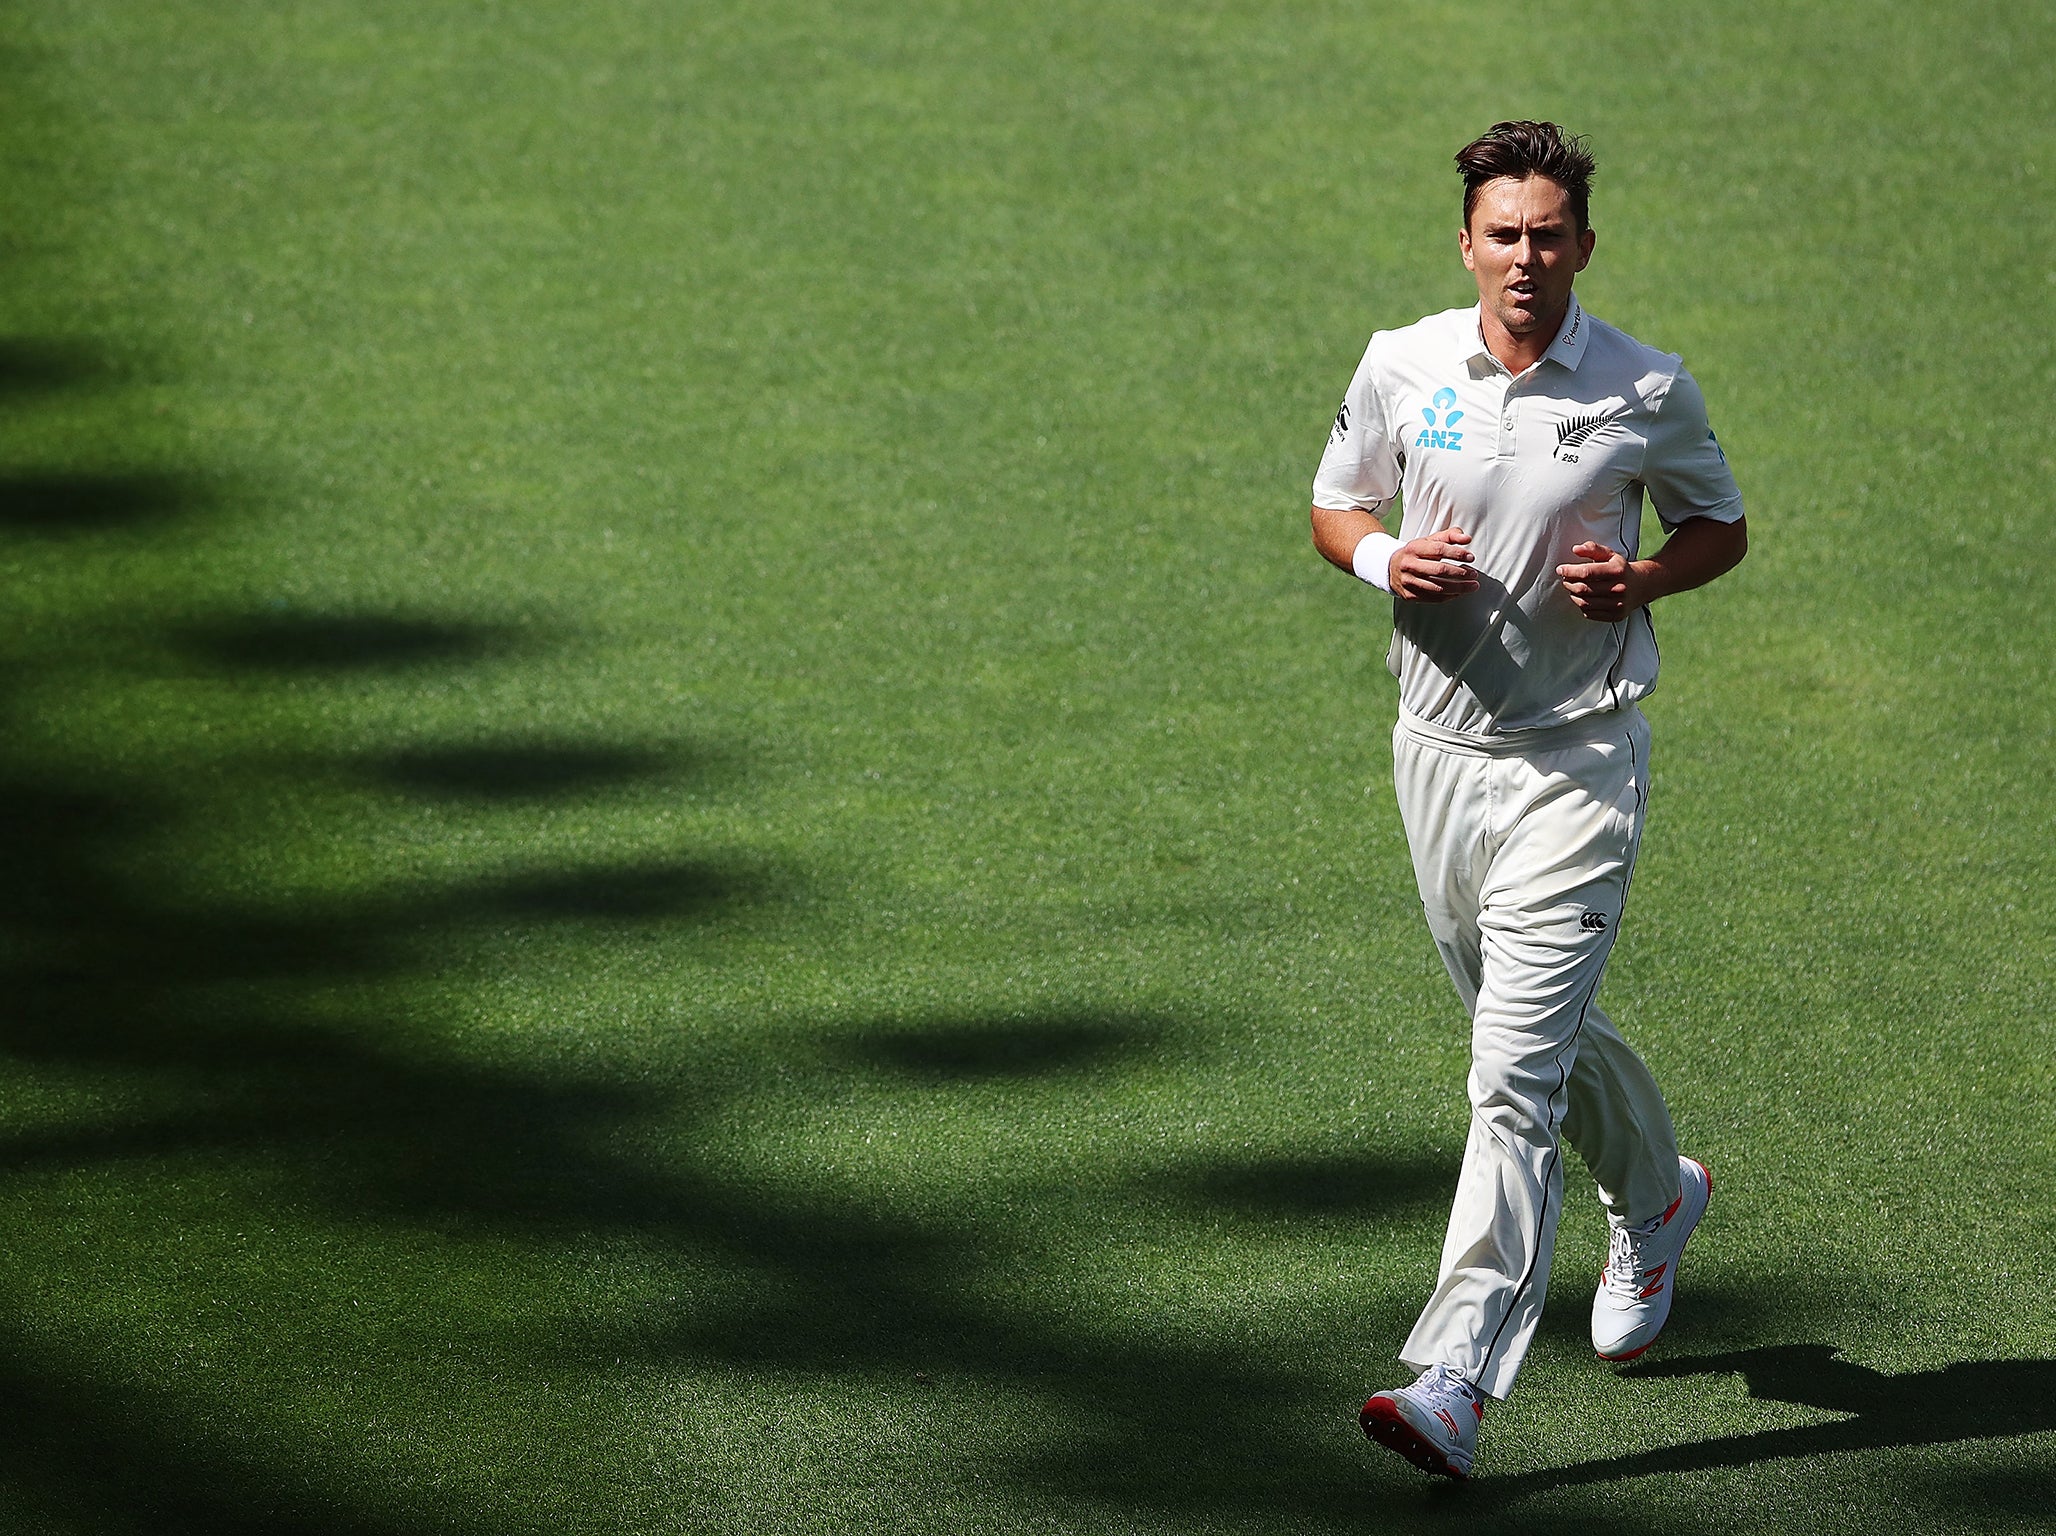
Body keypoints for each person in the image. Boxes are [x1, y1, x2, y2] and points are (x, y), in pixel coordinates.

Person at [1308, 120, 1748, 1481]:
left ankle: (1456, 1379)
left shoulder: (1642, 386)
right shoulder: (1402, 362)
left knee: (1508, 1079)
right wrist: (1388, 561)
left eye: (1549, 234)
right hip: (1434, 757)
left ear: (1583, 248)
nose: (1525, 256)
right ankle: (1661, 1196)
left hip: (1577, 762)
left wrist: (1646, 582)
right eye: (1504, 233)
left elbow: (1718, 526)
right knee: (1530, 1042)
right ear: (1468, 243)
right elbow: (1335, 504)